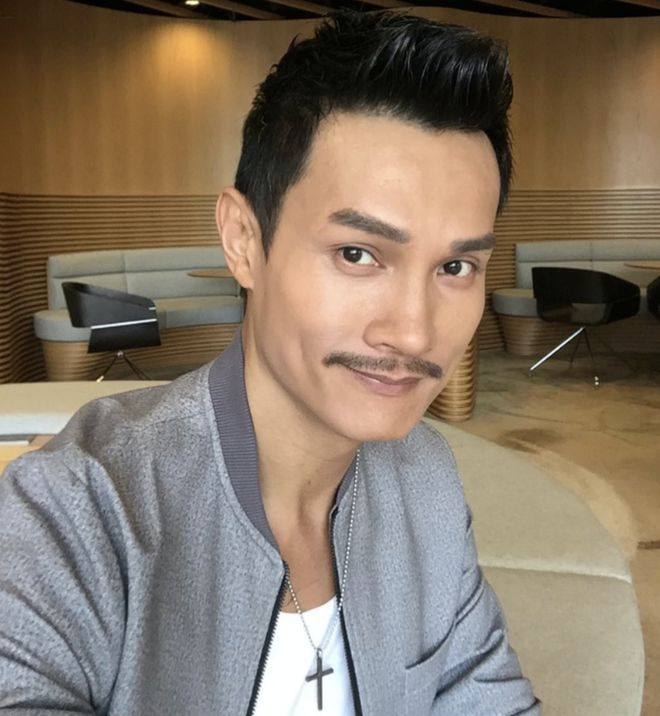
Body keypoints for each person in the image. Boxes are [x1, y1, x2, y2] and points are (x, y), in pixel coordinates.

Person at [0, 10, 540, 715]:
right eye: (357, 253)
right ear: (244, 240)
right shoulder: (80, 507)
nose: (413, 332)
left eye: (456, 266)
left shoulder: (426, 483)